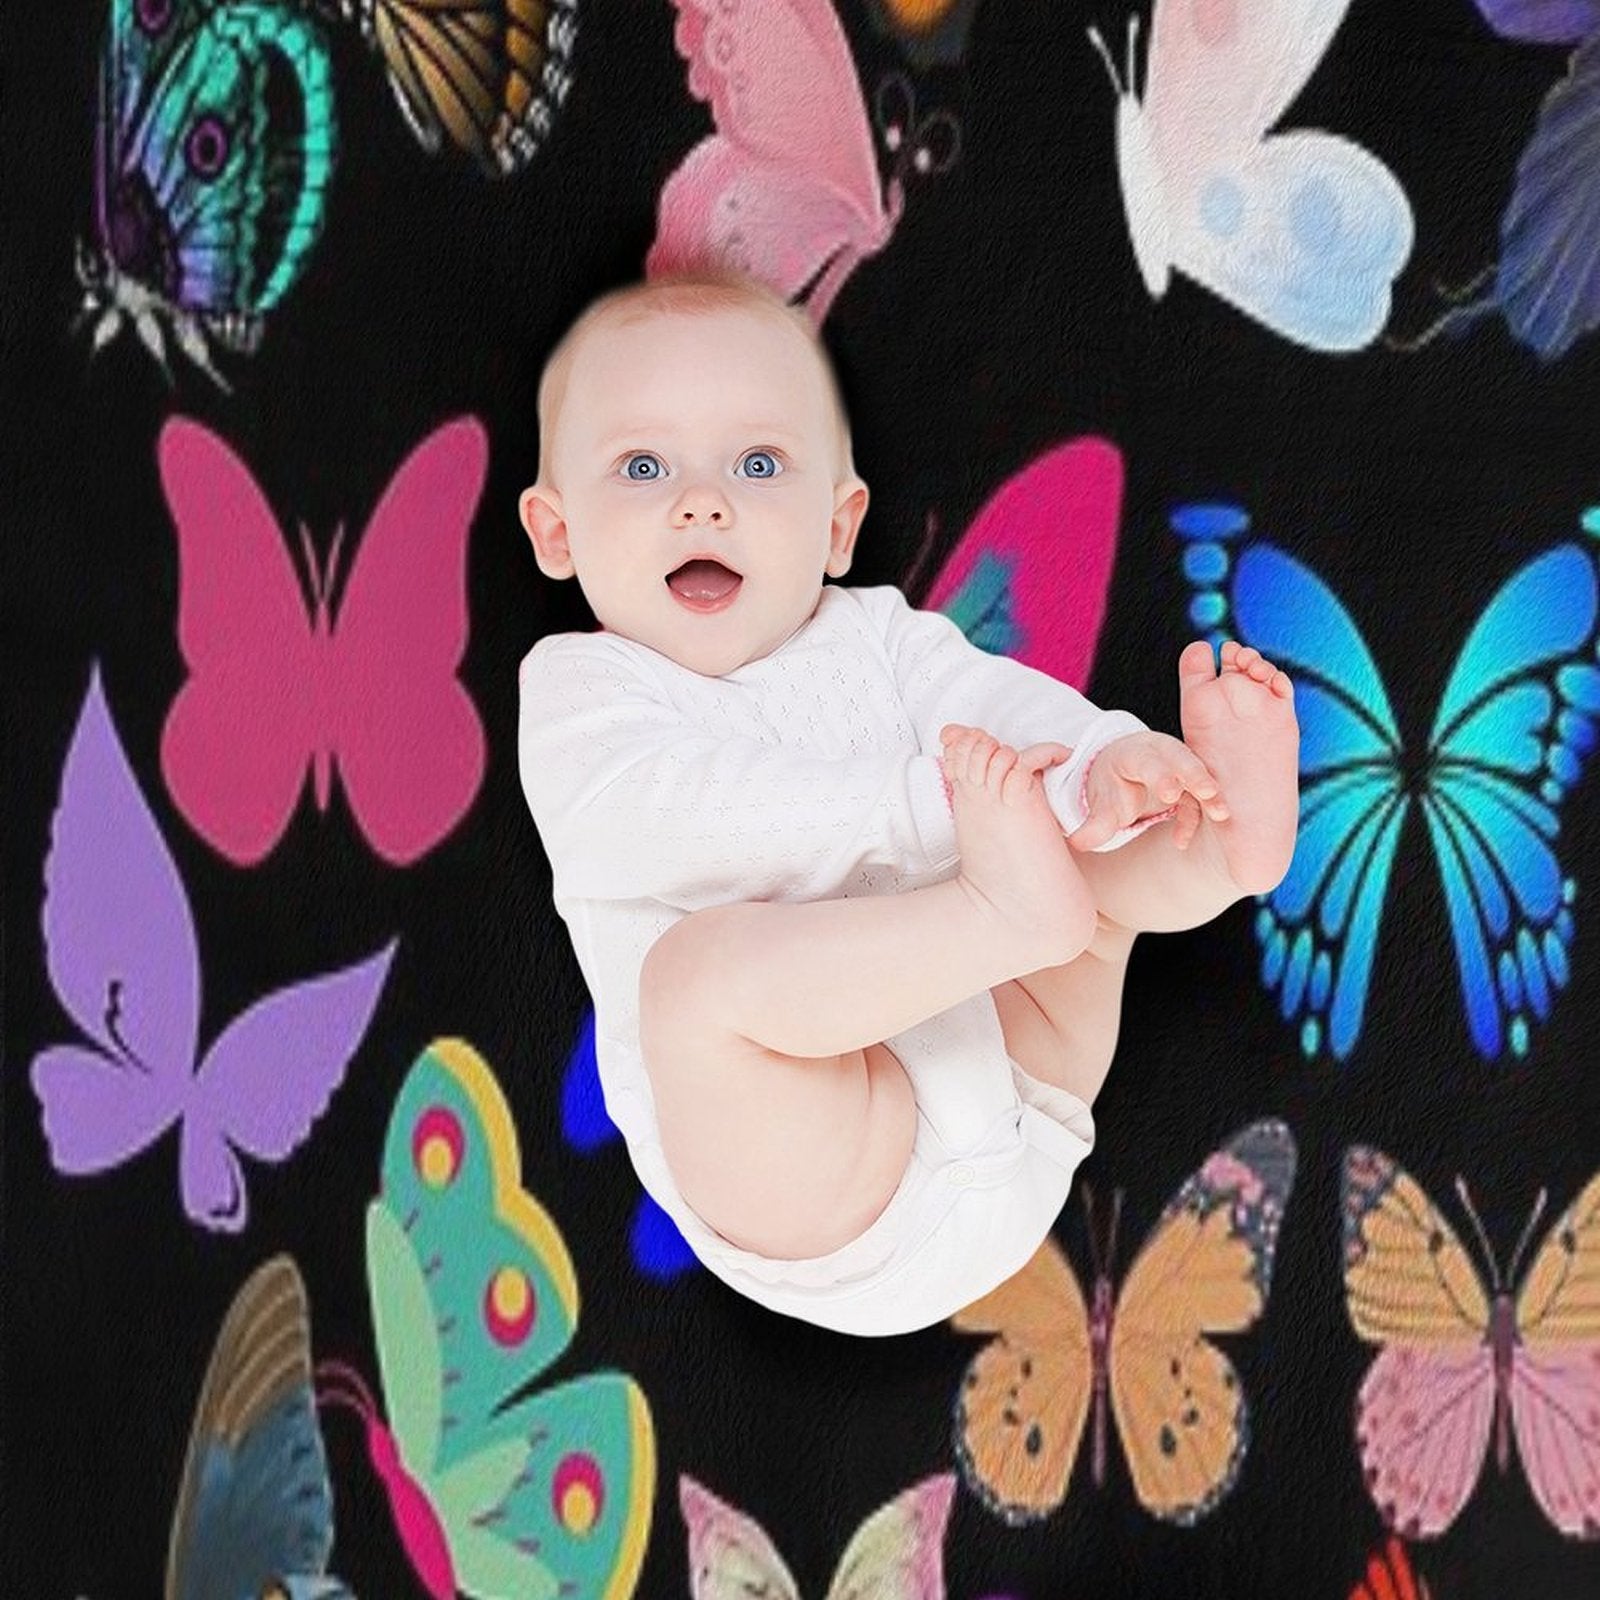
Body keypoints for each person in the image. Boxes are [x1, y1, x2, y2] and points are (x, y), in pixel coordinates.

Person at [516, 267, 1299, 1336]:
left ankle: (1212, 847)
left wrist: (1097, 762)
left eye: (757, 462)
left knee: (1088, 868)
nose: (703, 501)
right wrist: (931, 810)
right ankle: (1010, 911)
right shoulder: (583, 695)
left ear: (836, 527)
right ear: (557, 534)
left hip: (1024, 1081)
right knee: (692, 985)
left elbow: (992, 702)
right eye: (642, 465)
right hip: (832, 1177)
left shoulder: (877, 635)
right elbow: (684, 819)